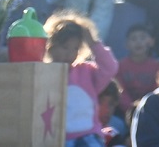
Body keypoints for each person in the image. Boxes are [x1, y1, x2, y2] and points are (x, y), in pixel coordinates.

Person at [45, 12, 118, 147]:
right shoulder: (42, 73)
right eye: (65, 47)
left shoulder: (86, 72)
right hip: (55, 139)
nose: (69, 53)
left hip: (88, 137)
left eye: (75, 48)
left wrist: (92, 43)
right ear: (50, 45)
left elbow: (110, 67)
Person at [115, 24, 159, 106]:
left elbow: (157, 91)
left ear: (151, 42)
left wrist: (146, 107)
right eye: (133, 39)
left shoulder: (158, 67)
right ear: (126, 44)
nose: (138, 42)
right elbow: (120, 91)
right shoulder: (119, 66)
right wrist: (131, 107)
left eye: (142, 38)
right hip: (124, 111)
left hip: (150, 109)